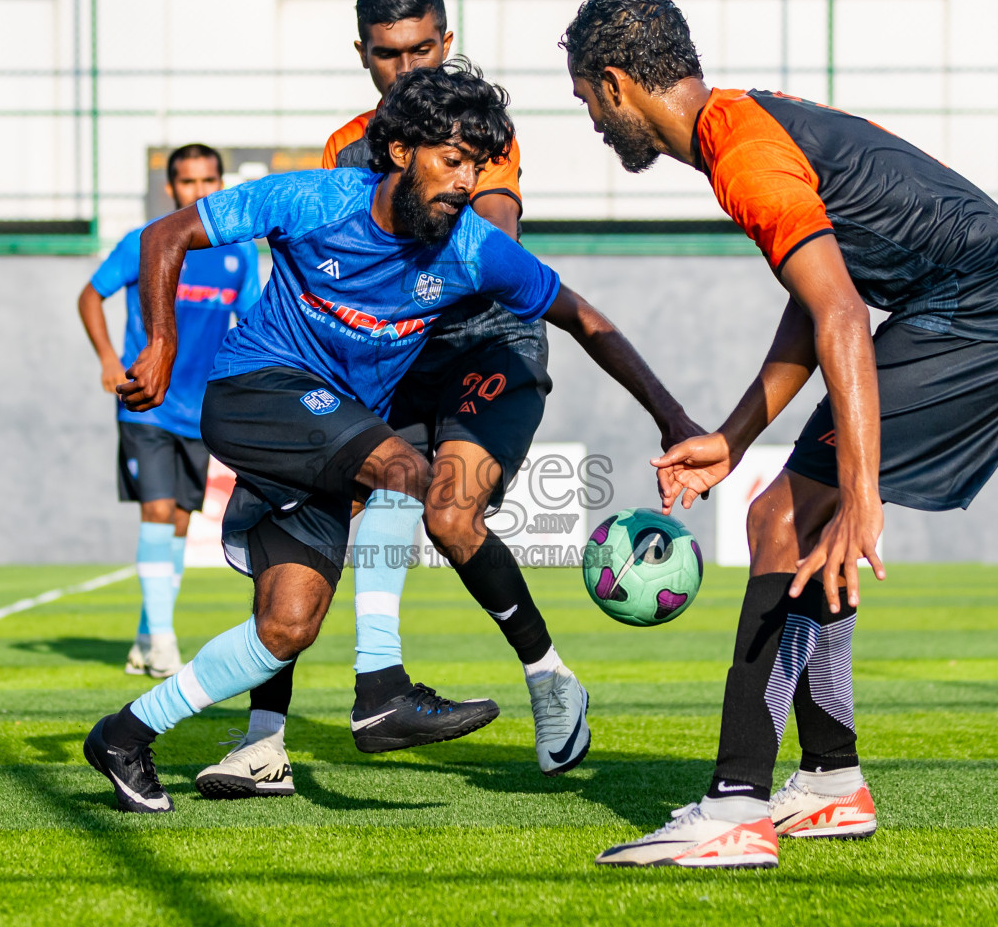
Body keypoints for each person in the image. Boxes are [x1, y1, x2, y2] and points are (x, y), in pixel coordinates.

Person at [83, 61, 698, 813]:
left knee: (287, 625)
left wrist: (672, 417)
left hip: (329, 433)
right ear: (401, 150)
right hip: (256, 392)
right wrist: (162, 345)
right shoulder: (314, 199)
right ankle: (381, 688)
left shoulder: (473, 247)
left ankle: (125, 734)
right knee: (410, 470)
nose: (465, 180)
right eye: (451, 160)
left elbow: (584, 318)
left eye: (475, 165)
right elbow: (168, 234)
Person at [561, 0, 998, 869]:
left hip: (984, 319)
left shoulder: (743, 153)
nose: (595, 125)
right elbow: (816, 302)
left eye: (586, 104)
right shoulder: (745, 128)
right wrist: (735, 437)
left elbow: (840, 315)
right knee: (791, 521)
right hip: (978, 312)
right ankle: (832, 782)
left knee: (781, 523)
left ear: (614, 82)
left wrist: (861, 497)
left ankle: (735, 809)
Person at [200, 0, 668, 799]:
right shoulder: (346, 147)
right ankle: (269, 738)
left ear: (445, 45)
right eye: (388, 54)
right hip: (395, 350)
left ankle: (551, 682)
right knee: (317, 504)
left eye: (421, 48)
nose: (405, 66)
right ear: (364, 56)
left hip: (490, 340)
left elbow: (490, 239)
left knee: (450, 511)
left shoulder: (475, 130)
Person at [78, 144, 260, 678]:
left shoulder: (239, 252)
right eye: (187, 182)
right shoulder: (146, 241)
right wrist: (110, 359)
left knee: (178, 524)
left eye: (208, 181)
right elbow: (90, 296)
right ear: (171, 187)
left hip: (199, 410)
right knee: (157, 512)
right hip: (145, 405)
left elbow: (248, 325)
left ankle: (145, 633)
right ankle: (163, 643)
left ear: (219, 183)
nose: (198, 192)